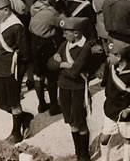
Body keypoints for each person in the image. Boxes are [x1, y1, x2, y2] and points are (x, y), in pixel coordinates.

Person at [0, 0, 33, 144]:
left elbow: (25, 53)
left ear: (6, 10)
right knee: (0, 102)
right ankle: (24, 117)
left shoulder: (16, 26)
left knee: (14, 102)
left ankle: (16, 133)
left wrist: (19, 72)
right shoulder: (0, 21)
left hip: (10, 70)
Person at [48, 16, 92, 161]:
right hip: (64, 88)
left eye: (66, 32)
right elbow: (50, 64)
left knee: (80, 122)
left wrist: (61, 65)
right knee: (71, 122)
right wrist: (63, 65)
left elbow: (75, 72)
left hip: (78, 89)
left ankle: (84, 155)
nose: (63, 35)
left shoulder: (85, 48)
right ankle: (77, 152)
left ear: (76, 33)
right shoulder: (64, 45)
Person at [99, 38, 130, 161]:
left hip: (125, 112)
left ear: (118, 57)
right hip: (111, 109)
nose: (108, 57)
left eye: (110, 55)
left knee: (127, 138)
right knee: (104, 138)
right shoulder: (111, 67)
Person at [28, 0, 62, 116]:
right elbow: (61, 23)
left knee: (38, 75)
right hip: (47, 45)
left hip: (34, 43)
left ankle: (41, 103)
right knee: (52, 76)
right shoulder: (51, 12)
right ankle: (54, 105)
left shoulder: (33, 8)